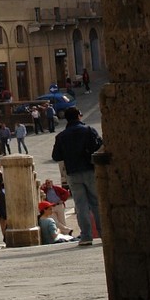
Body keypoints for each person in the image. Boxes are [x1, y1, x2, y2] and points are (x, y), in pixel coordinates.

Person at [51, 104, 109, 245]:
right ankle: (104, 234)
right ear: (78, 116)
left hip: (73, 173)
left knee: (81, 205)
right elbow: (99, 145)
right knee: (96, 203)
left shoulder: (61, 136)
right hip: (89, 170)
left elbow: (56, 156)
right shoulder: (88, 130)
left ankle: (86, 236)